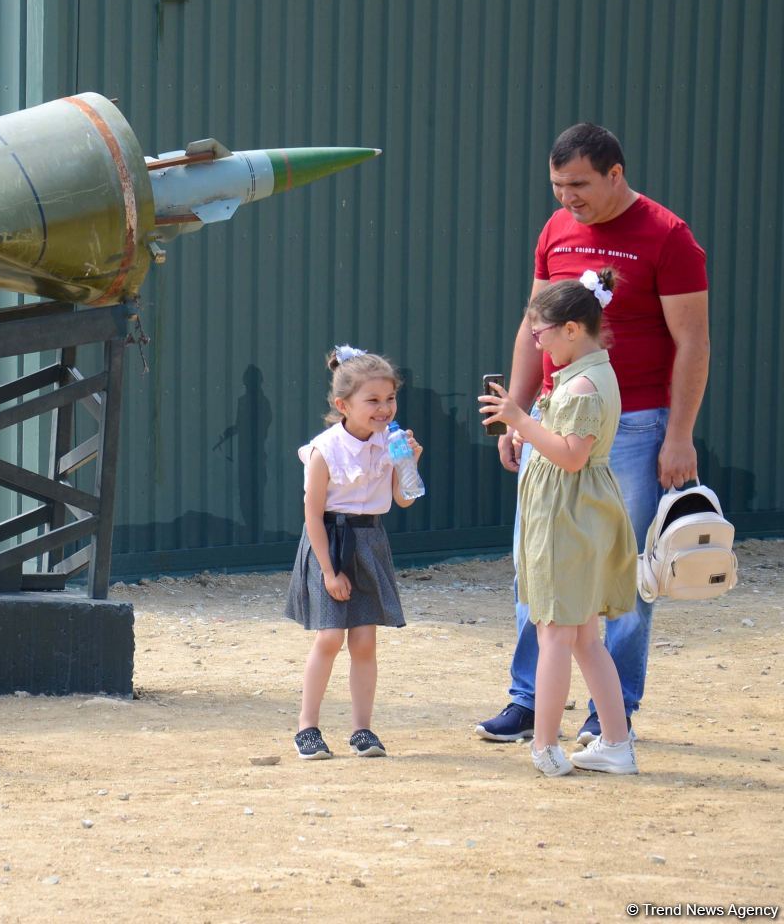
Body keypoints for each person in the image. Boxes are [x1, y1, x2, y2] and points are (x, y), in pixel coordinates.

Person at [476, 123, 709, 745]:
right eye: (557, 186)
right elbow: (533, 328)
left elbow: (693, 341)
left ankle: (613, 712)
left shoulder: (668, 235)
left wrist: (678, 435)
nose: (566, 199)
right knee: (539, 557)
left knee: (622, 568)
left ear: (615, 173)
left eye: (578, 185)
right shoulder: (555, 231)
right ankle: (529, 699)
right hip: (551, 418)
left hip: (633, 427)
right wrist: (515, 413)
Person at [480, 272, 639, 775]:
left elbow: (572, 457)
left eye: (541, 333)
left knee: (553, 633)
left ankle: (544, 746)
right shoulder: (586, 375)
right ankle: (615, 742)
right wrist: (533, 430)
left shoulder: (584, 385)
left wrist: (519, 420)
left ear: (572, 329)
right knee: (586, 638)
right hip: (576, 514)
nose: (536, 343)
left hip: (567, 520)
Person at [285, 345, 422, 760]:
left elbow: (404, 499)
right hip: (330, 541)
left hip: (370, 541)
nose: (384, 409)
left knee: (364, 642)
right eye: (373, 401)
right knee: (329, 638)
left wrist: (410, 463)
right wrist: (328, 572)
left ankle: (363, 729)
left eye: (390, 399)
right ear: (343, 404)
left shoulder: (394, 442)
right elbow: (312, 516)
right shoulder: (324, 451)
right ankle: (307, 727)